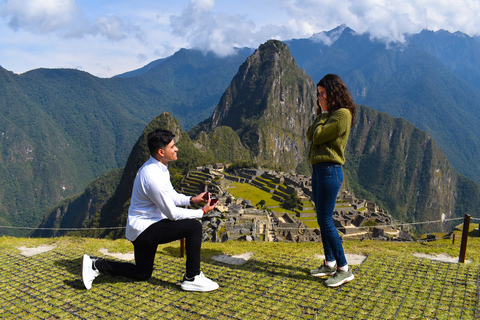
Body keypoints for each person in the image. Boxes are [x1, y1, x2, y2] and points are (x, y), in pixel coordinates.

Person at [82, 129, 219, 292]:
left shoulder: (159, 167)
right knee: (193, 227)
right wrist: (201, 212)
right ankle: (192, 277)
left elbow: (171, 195)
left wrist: (192, 199)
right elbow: (173, 214)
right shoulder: (152, 177)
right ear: (161, 152)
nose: (177, 149)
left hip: (145, 225)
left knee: (142, 273)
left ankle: (95, 264)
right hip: (145, 229)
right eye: (173, 146)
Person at [306, 74, 356, 287]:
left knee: (326, 220)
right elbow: (310, 133)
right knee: (321, 218)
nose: (320, 97)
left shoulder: (342, 115)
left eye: (323, 93)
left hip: (330, 171)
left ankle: (343, 268)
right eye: (318, 93)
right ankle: (329, 262)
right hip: (319, 171)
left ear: (334, 91)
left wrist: (324, 113)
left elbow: (317, 137)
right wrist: (322, 113)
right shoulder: (327, 115)